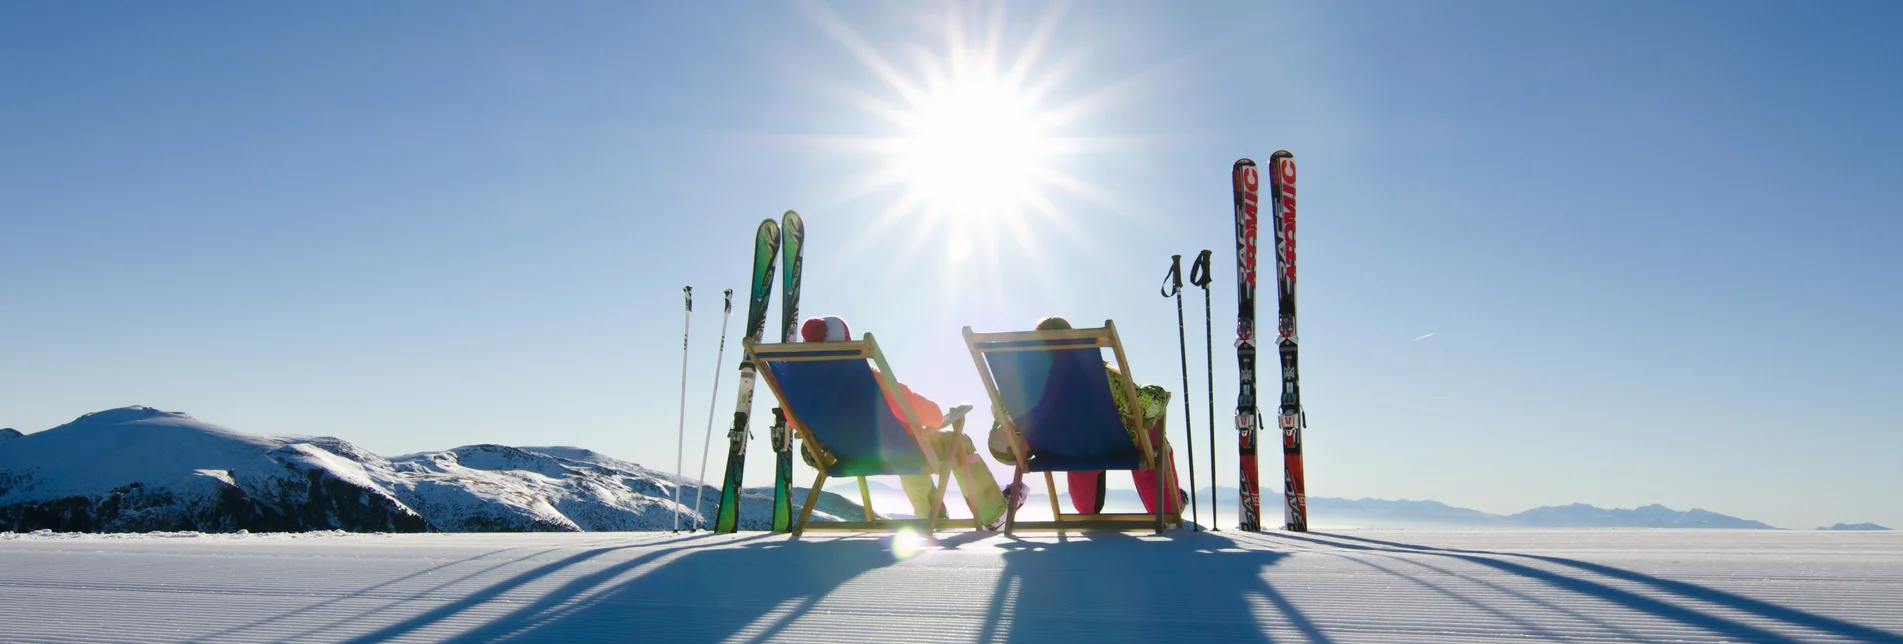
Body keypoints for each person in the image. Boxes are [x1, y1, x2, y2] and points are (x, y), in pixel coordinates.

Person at [796, 316, 1023, 529]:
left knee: (910, 444)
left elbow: (797, 423)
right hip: (894, 453)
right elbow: (927, 414)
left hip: (841, 456)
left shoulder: (803, 390)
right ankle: (993, 514)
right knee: (950, 443)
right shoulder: (868, 380)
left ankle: (931, 517)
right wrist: (934, 420)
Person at [986, 316, 1185, 516]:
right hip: (1117, 442)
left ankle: (1087, 509)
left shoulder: (1019, 390)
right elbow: (1147, 407)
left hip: (1072, 453)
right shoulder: (1101, 378)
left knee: (1081, 475)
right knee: (1147, 433)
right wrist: (1159, 393)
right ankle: (1170, 505)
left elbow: (999, 411)